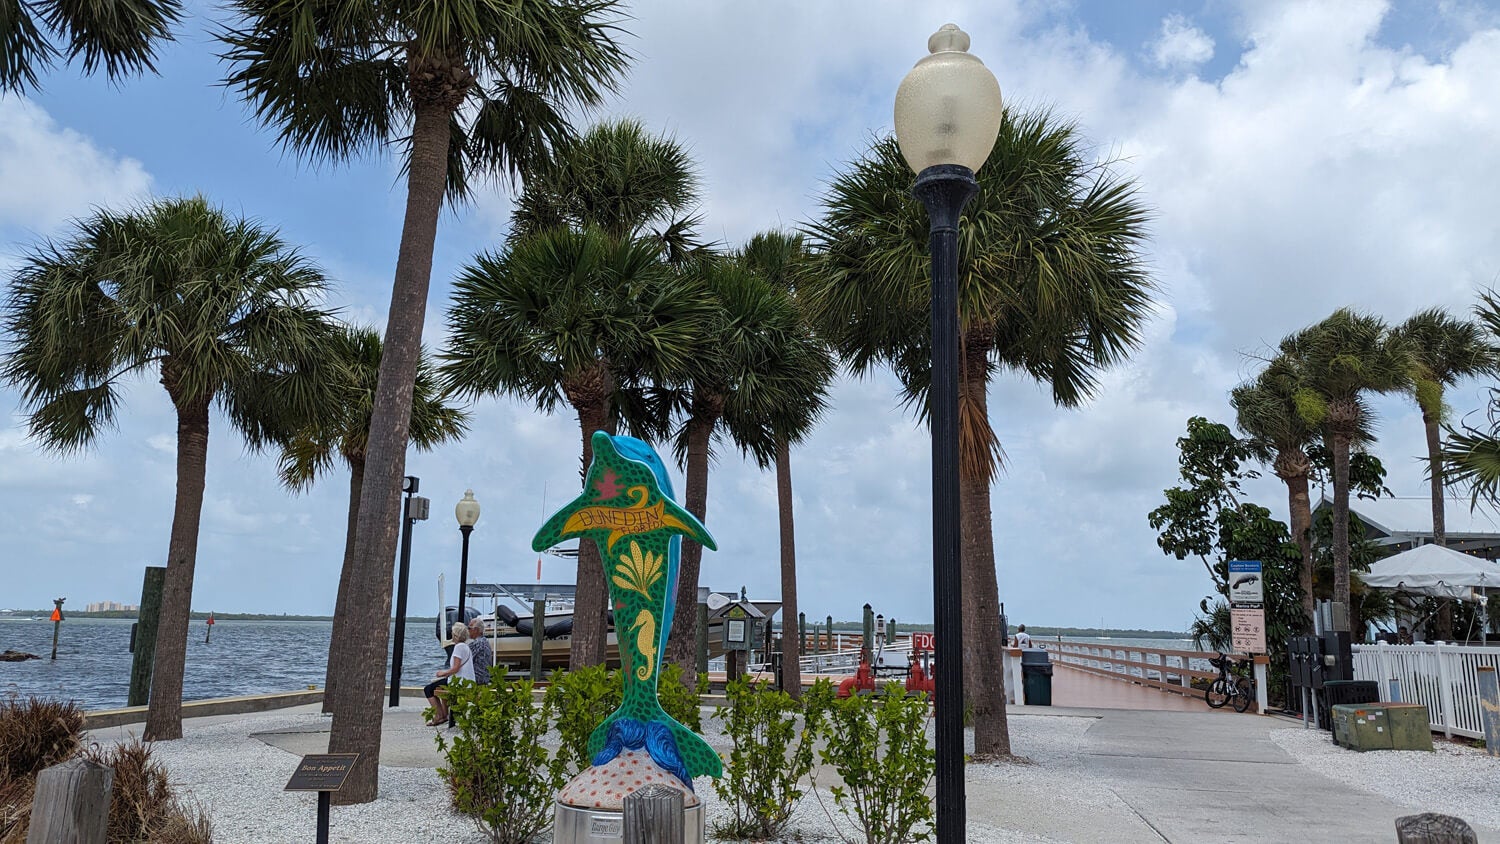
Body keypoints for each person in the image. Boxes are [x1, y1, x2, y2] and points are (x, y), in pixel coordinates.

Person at [424, 622, 473, 726]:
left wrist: (442, 673)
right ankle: (444, 714)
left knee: (428, 689)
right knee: (440, 687)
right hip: (468, 682)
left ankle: (438, 716)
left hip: (459, 683)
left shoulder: (458, 647)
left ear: (455, 634)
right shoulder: (466, 647)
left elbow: (455, 668)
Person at [466, 618, 494, 686]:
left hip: (477, 680)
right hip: (485, 678)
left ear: (476, 630)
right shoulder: (485, 641)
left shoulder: (477, 643)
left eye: (469, 628)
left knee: (437, 684)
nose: (467, 630)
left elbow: (463, 661)